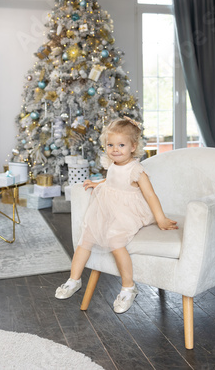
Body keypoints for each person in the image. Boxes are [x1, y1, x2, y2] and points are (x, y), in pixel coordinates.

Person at [55, 116, 178, 313]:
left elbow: (150, 194)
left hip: (129, 212)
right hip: (108, 206)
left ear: (133, 146)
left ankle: (129, 287)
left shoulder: (136, 170)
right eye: (110, 144)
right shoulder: (113, 164)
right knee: (86, 237)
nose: (115, 149)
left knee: (115, 240)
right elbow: (111, 181)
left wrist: (161, 218)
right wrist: (99, 183)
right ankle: (74, 279)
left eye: (121, 145)